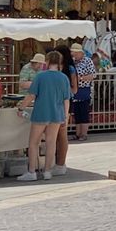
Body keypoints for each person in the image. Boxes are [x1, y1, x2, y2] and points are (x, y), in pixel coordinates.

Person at [16, 50, 71, 182]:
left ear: (47, 61)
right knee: (51, 143)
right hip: (57, 113)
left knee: (34, 142)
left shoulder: (40, 77)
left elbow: (31, 95)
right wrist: (65, 116)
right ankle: (47, 171)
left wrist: (21, 107)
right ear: (59, 63)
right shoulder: (64, 78)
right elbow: (66, 99)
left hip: (41, 112)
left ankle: (32, 171)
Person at [52, 44, 78, 177]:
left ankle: (61, 163)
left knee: (62, 132)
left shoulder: (70, 69)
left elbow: (75, 88)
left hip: (64, 101)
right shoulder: (57, 69)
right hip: (56, 100)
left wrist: (63, 92)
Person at [70, 43, 96, 141]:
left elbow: (93, 75)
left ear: (80, 53)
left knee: (84, 112)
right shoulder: (72, 62)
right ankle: (77, 133)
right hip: (74, 90)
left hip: (84, 89)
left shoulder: (87, 61)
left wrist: (80, 78)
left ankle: (84, 133)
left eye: (75, 53)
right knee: (76, 112)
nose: (74, 55)